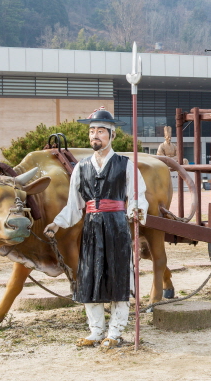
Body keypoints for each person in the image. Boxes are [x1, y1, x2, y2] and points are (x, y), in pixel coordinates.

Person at [44, 107, 148, 348]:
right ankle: (96, 331)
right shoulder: (81, 168)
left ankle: (115, 331)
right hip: (91, 229)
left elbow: (136, 195)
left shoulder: (126, 165)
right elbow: (74, 205)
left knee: (118, 278)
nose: (95, 136)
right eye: (92, 131)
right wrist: (57, 223)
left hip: (116, 227)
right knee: (90, 277)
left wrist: (136, 210)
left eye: (101, 131)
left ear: (112, 135)